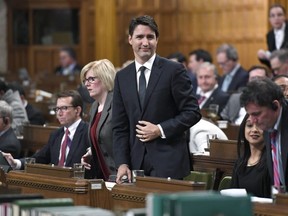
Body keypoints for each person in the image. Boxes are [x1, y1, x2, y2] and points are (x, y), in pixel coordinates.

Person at [112, 15, 201, 184]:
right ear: (130, 39)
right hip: (134, 164)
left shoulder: (174, 70)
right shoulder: (122, 77)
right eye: (139, 37)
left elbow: (192, 112)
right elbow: (119, 127)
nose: (145, 43)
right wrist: (122, 163)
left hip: (168, 162)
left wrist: (160, 129)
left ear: (157, 40)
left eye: (150, 37)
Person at [3, 90, 89, 170]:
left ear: (77, 111)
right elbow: (39, 158)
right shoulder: (56, 134)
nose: (59, 113)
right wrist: (16, 163)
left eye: (64, 108)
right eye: (57, 109)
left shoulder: (88, 132)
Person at [240, 78, 288, 190]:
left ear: (275, 105)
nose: (252, 121)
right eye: (250, 114)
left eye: (256, 114)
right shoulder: (268, 121)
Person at [80, 59, 117, 180]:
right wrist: (92, 152)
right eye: (85, 80)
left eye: (91, 79)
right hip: (103, 175)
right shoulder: (94, 107)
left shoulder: (118, 104)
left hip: (119, 174)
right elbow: (101, 136)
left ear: (105, 78)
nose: (86, 84)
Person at [231, 114, 271, 198]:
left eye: (260, 125)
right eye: (249, 125)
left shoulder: (273, 162)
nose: (254, 130)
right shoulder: (239, 163)